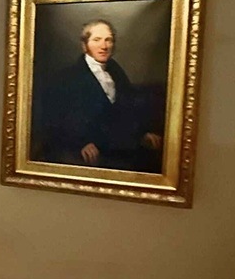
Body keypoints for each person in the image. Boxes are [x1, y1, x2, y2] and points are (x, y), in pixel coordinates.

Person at [39, 19, 163, 171]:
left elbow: (130, 106)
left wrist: (142, 133)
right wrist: (81, 143)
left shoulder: (116, 70)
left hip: (120, 146)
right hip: (88, 150)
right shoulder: (67, 77)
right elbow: (57, 120)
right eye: (97, 40)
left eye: (108, 40)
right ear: (84, 45)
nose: (104, 46)